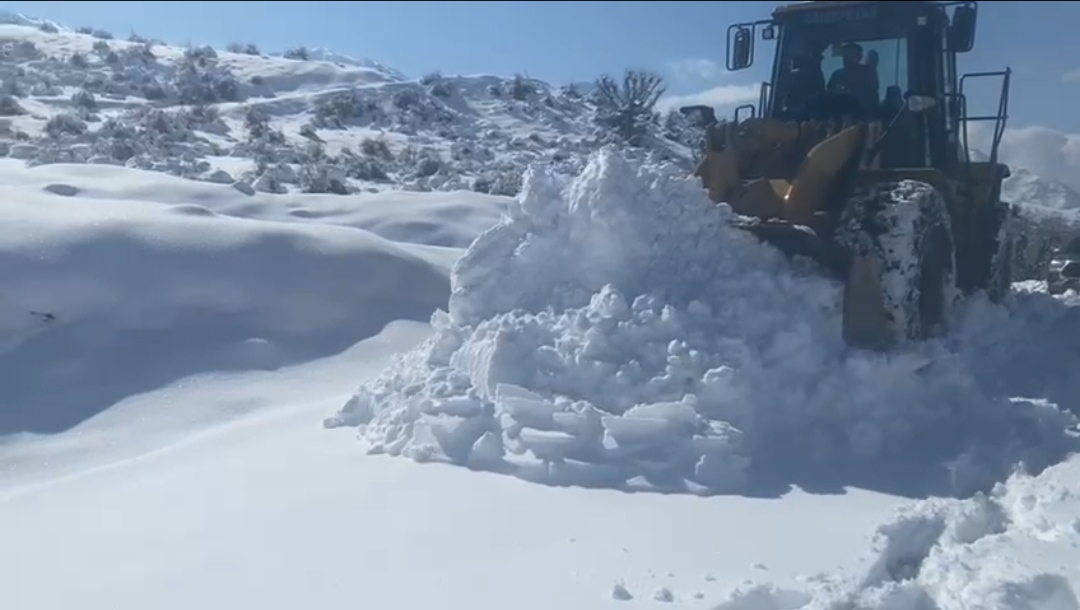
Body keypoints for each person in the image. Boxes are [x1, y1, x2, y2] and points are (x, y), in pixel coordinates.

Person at [827, 42, 879, 111]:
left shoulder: (868, 73)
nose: (846, 58)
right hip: (841, 114)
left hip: (867, 114)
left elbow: (873, 90)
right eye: (845, 55)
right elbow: (830, 94)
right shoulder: (837, 75)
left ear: (860, 57)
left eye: (850, 55)